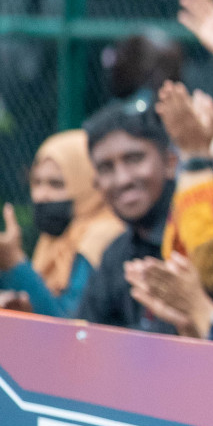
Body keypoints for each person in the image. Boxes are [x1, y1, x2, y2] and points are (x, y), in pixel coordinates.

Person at [0, 131, 124, 317]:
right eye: (36, 182)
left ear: (91, 184)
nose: (41, 195)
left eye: (56, 184)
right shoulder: (53, 242)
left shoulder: (103, 236)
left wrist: (13, 262)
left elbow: (68, 331)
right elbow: (10, 324)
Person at [72, 99, 185, 331]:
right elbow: (82, 339)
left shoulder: (204, 242)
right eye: (106, 168)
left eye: (134, 159)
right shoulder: (116, 256)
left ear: (170, 163)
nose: (122, 179)